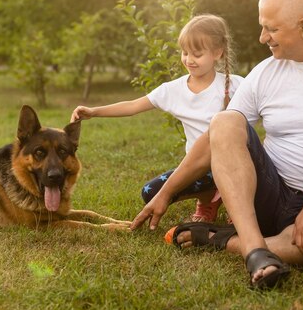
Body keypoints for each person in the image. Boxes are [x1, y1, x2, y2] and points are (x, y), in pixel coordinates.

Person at [130, 0, 303, 290]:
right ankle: (256, 250)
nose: (262, 37)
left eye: (272, 28)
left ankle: (221, 239)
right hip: (270, 192)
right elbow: (219, 135)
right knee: (225, 121)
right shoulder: (266, 72)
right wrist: (166, 193)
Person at [70, 14, 243, 223]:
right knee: (150, 193)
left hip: (235, 165)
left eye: (197, 54)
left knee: (243, 210)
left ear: (217, 52)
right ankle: (209, 198)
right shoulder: (173, 90)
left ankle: (238, 199)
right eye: (185, 52)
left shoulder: (236, 86)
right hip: (197, 168)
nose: (189, 60)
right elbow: (133, 106)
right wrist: (94, 111)